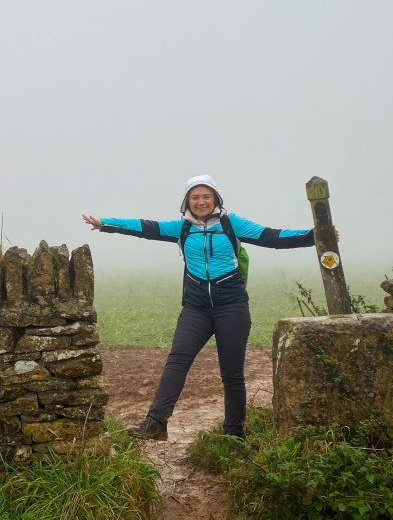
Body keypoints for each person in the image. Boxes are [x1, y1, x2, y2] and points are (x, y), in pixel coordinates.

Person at [82, 174, 317, 441]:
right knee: (177, 361)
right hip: (196, 308)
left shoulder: (232, 224)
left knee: (232, 373)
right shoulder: (181, 228)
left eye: (206, 196)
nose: (201, 202)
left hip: (232, 307)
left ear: (216, 198)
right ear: (187, 201)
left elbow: (272, 237)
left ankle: (233, 434)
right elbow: (145, 227)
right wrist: (104, 224)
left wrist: (314, 235)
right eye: (195, 197)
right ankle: (156, 422)